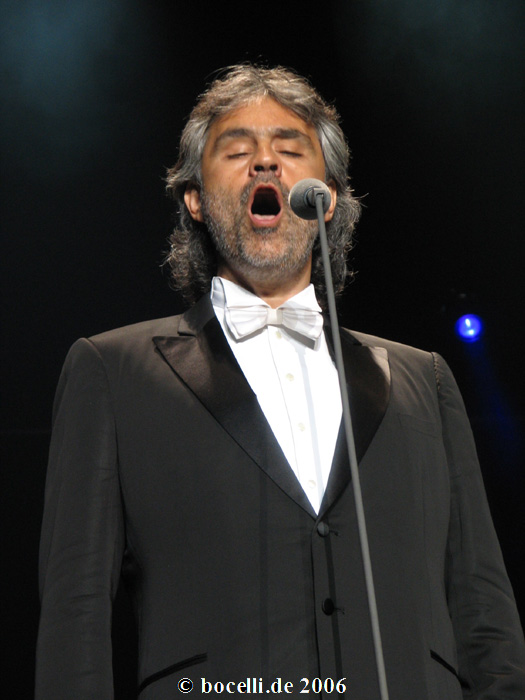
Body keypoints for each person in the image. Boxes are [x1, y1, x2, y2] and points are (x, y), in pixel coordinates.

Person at [36, 64, 525, 699]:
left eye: (290, 149)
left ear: (330, 197)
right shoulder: (112, 371)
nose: (265, 161)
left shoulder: (422, 378)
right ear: (194, 198)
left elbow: (484, 609)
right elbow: (74, 614)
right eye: (237, 150)